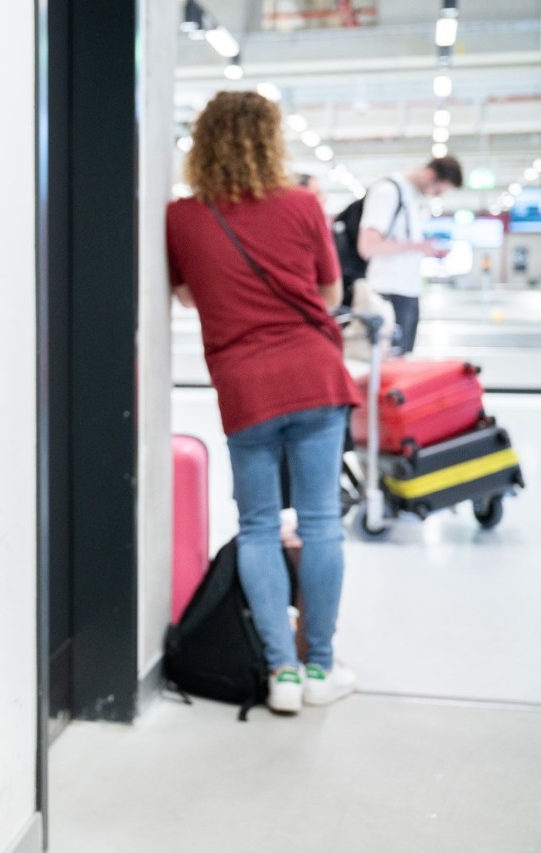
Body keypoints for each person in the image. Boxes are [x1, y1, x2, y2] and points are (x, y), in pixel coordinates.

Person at [166, 91, 362, 714]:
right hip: (315, 377)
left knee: (256, 526)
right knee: (320, 522)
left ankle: (280, 675)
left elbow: (188, 298)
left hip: (245, 387)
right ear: (271, 142)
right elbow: (331, 290)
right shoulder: (304, 204)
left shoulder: (183, 217)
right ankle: (320, 669)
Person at [358, 156, 462, 354]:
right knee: (390, 365)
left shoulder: (410, 196)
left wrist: (424, 250)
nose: (435, 195)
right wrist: (416, 247)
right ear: (430, 174)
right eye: (437, 190)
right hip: (388, 293)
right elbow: (368, 246)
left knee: (404, 360)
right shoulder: (388, 191)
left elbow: (400, 246)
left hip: (406, 292)